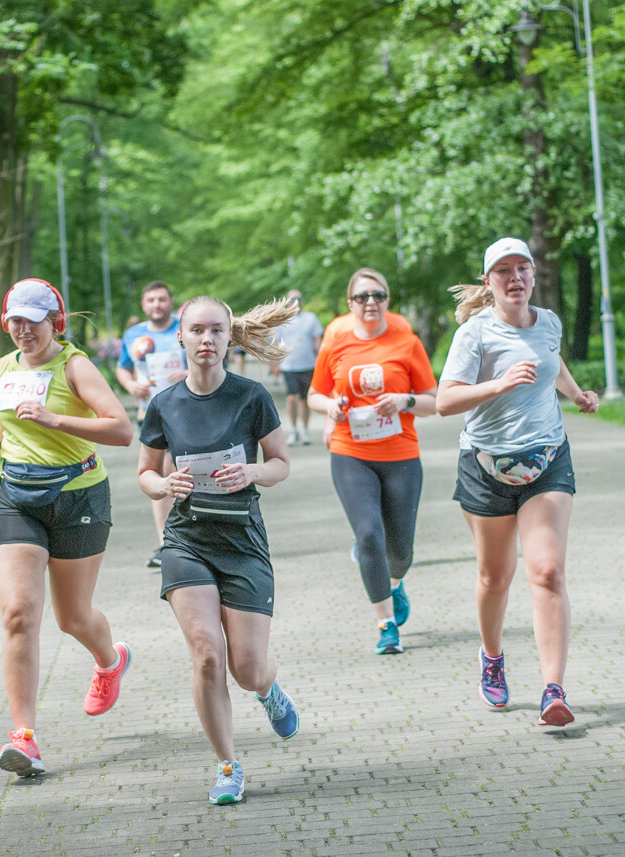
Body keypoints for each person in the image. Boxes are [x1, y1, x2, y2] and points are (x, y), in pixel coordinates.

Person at [137, 294, 301, 806]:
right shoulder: (163, 403)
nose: (206, 340)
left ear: (230, 338)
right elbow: (145, 472)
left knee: (246, 667)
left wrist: (251, 471)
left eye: (216, 331)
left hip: (242, 541)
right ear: (180, 337)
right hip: (187, 541)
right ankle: (227, 765)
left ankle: (268, 690)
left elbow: (280, 463)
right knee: (208, 654)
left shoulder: (252, 396)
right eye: (197, 331)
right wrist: (164, 487)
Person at [0, 278, 135, 777]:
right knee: (19, 612)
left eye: (33, 321)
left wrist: (55, 420)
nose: (24, 331)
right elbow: (6, 424)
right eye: (15, 321)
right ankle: (24, 737)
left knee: (71, 617)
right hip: (16, 497)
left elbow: (121, 430)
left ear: (54, 322)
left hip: (78, 495)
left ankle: (110, 660)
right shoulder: (3, 367)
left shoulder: (75, 366)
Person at [435, 237, 599, 727]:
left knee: (546, 571)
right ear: (489, 282)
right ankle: (492, 656)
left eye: (521, 268)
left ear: (532, 275)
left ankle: (553, 689)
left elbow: (553, 360)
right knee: (495, 576)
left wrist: (575, 393)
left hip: (547, 459)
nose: (514, 278)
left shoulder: (548, 321)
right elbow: (445, 401)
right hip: (486, 468)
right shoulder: (474, 335)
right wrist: (499, 384)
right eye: (502, 270)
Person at [307, 268, 437, 655]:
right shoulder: (337, 339)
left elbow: (435, 401)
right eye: (362, 296)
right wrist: (332, 407)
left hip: (400, 453)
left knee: (400, 552)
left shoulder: (407, 342)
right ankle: (386, 625)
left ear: (388, 300)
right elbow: (316, 394)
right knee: (369, 536)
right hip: (351, 452)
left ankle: (394, 582)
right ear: (350, 302)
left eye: (378, 295)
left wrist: (405, 400)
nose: (370, 303)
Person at [116, 281, 188, 568]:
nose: (156, 305)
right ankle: (165, 542)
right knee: (156, 474)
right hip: (150, 413)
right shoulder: (133, 334)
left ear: (170, 302)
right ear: (143, 305)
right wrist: (131, 385)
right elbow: (123, 367)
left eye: (161, 299)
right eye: (150, 300)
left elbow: (211, 359)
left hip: (185, 410)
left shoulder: (185, 328)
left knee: (175, 471)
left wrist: (188, 372)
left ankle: (182, 536)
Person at [272, 289, 324, 445]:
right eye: (291, 300)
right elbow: (275, 343)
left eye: (297, 299)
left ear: (302, 301)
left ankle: (304, 431)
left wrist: (322, 360)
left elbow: (318, 340)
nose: (294, 302)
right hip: (289, 365)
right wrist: (274, 363)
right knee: (291, 397)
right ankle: (293, 429)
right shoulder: (281, 320)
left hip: (308, 364)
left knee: (304, 400)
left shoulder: (311, 318)